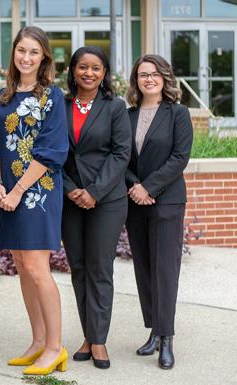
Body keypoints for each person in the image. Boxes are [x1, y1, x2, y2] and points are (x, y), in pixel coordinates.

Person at [0, 26, 69, 376]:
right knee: (22, 265)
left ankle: (55, 346)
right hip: (10, 195)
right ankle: (37, 342)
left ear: (44, 57)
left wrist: (18, 191)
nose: (27, 57)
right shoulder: (3, 97)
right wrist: (0, 184)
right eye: (22, 50)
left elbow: (52, 151)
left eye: (34, 52)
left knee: (37, 267)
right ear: (14, 53)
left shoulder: (52, 97)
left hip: (39, 193)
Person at [60, 46, 131, 370]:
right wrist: (72, 189)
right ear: (73, 71)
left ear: (104, 74)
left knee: (100, 268)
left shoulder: (115, 107)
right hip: (69, 198)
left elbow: (121, 153)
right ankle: (89, 335)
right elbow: (49, 152)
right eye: (83, 67)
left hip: (107, 200)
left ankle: (98, 339)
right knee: (79, 268)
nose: (89, 73)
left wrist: (95, 192)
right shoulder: (58, 106)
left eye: (96, 68)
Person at [124, 54, 193, 370]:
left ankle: (166, 339)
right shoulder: (127, 116)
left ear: (165, 78)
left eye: (153, 74)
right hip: (135, 202)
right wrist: (135, 186)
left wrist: (148, 187)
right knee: (145, 268)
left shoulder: (178, 113)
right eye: (142, 75)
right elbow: (120, 157)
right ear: (135, 81)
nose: (148, 79)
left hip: (166, 201)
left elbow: (180, 158)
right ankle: (153, 330)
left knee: (165, 270)